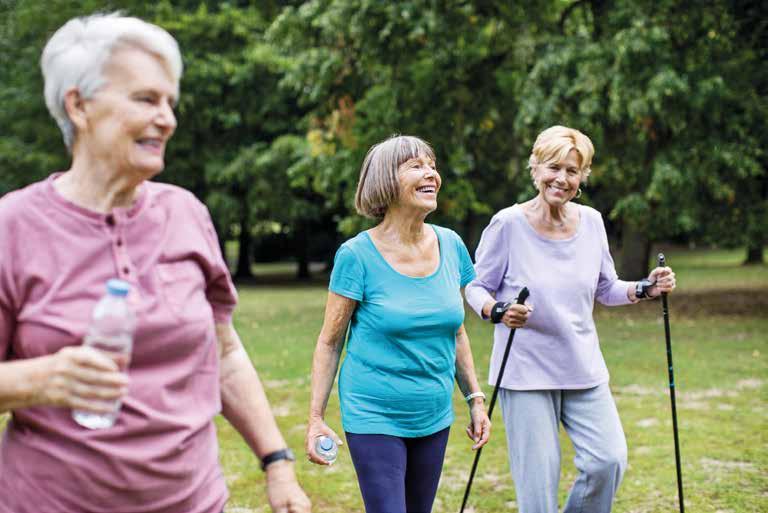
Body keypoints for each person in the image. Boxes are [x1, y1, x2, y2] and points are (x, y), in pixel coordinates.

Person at [0, 14, 310, 513]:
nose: (167, 118)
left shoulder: (185, 214)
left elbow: (224, 352)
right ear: (78, 105)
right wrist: (39, 379)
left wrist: (277, 461)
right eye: (146, 99)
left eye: (170, 101)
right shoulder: (12, 226)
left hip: (193, 500)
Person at [464, 125, 677, 513]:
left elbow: (606, 287)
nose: (562, 178)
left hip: (582, 368)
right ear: (535, 168)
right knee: (538, 491)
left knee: (608, 461)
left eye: (572, 171)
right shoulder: (508, 224)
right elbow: (476, 287)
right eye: (553, 167)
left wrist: (646, 287)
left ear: (582, 178)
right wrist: (497, 311)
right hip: (525, 373)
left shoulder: (592, 222)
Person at [305, 135, 491, 513]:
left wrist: (475, 399)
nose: (431, 174)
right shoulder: (356, 255)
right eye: (416, 166)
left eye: (432, 165)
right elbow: (330, 342)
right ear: (386, 181)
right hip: (374, 412)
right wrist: (315, 419)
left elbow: (455, 331)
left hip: (434, 412)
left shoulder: (451, 244)